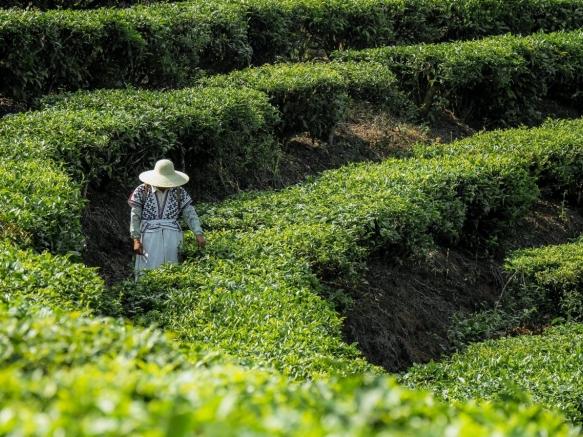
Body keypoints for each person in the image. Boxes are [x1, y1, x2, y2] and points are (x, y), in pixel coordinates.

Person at [128, 159, 206, 278]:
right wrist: (136, 239)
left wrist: (198, 233)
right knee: (148, 269)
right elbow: (135, 215)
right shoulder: (142, 191)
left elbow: (190, 213)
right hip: (149, 237)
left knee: (172, 267)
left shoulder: (179, 192)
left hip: (172, 236)